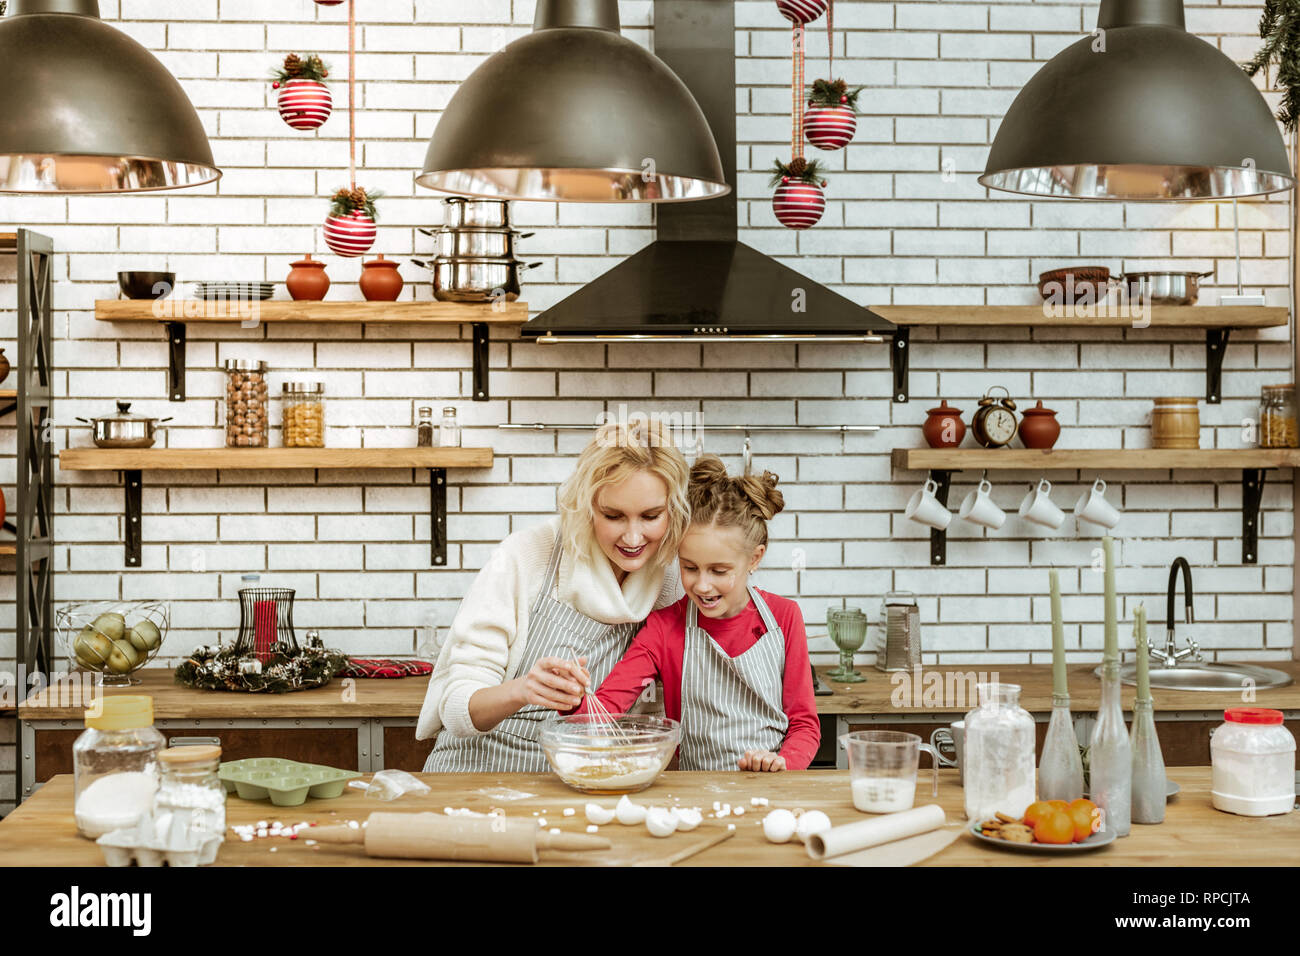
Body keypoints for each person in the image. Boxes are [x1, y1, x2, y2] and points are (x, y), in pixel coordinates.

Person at [417, 418, 690, 772]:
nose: (634, 537)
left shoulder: (670, 580)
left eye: (651, 516)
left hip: (583, 773)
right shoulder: (530, 554)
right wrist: (523, 690)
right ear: (587, 504)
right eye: (613, 516)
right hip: (479, 764)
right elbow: (456, 709)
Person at [577, 455, 820, 771]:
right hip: (695, 795)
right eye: (689, 568)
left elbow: (804, 724)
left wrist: (783, 763)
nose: (702, 585)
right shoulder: (665, 627)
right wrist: (572, 699)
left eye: (719, 570)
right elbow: (604, 710)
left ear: (755, 558)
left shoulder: (784, 617)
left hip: (772, 789)